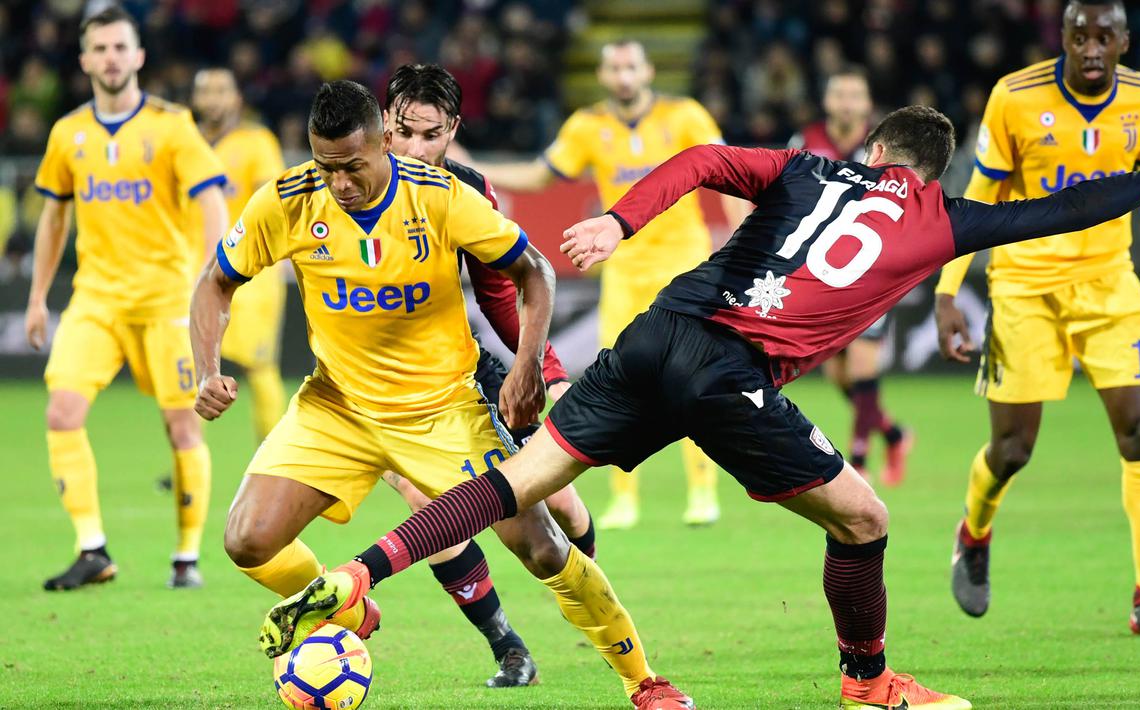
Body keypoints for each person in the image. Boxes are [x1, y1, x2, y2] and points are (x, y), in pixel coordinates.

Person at [261, 107, 1140, 707]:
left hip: (653, 332)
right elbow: (1058, 210)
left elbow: (708, 158)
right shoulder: (940, 217)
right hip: (731, 372)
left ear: (873, 150)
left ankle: (358, 572)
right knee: (863, 519)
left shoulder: (805, 168)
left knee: (517, 484)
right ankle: (869, 682)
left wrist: (620, 217)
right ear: (926, 173)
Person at [194, 80, 690, 709]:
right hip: (336, 406)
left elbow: (532, 272)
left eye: (353, 166)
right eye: (328, 167)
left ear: (382, 145)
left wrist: (529, 367)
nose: (341, 183)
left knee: (542, 546)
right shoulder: (287, 200)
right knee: (246, 539)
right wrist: (207, 367)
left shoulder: (441, 195)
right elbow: (215, 282)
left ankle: (644, 681)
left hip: (444, 408)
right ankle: (346, 606)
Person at [934, 0, 1140, 635]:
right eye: (1080, 35)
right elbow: (981, 193)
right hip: (1025, 285)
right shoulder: (1014, 96)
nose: (1092, 48)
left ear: (1125, 40)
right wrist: (947, 289)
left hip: (1110, 283)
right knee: (1013, 449)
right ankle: (974, 532)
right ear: (1064, 38)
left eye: (1105, 35)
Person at [376, 62, 598, 687]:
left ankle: (592, 605)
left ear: (452, 132)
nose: (415, 149)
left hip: (466, 367)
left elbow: (502, 292)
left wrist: (543, 373)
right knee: (427, 502)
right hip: (379, 385)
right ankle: (508, 648)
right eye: (403, 132)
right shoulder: (351, 181)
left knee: (558, 499)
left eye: (431, 136)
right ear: (384, 124)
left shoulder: (468, 190)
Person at [471, 39, 744, 530]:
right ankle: (625, 496)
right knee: (616, 381)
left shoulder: (685, 116)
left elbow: (729, 174)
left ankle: (703, 490)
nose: (623, 76)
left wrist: (742, 244)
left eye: (631, 66)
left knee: (697, 379)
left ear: (648, 69)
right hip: (623, 270)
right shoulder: (588, 126)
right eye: (615, 67)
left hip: (685, 267)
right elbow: (540, 175)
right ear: (602, 74)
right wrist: (477, 170)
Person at [25, 6, 227, 591]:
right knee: (61, 413)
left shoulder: (171, 126)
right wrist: (39, 296)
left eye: (120, 47)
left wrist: (216, 279)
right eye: (100, 49)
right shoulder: (69, 133)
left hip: (166, 299)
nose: (111, 58)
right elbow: (53, 220)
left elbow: (211, 201)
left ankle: (186, 558)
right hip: (96, 299)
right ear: (85, 59)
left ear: (138, 56)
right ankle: (92, 550)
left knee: (182, 427)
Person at [791, 66, 911, 485]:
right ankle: (895, 435)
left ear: (866, 103)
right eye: (838, 95)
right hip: (821, 269)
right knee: (839, 375)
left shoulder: (887, 145)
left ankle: (858, 462)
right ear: (827, 102)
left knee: (862, 366)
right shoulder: (805, 142)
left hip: (873, 267)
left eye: (853, 96)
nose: (846, 103)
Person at [191, 67, 288, 442]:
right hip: (196, 270)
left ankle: (274, 456)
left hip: (252, 272)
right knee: (194, 364)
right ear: (196, 99)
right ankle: (188, 450)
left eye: (221, 90)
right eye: (206, 90)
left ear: (236, 99)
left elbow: (272, 203)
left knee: (259, 365)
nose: (213, 98)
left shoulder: (257, 142)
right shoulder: (186, 143)